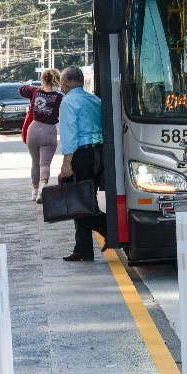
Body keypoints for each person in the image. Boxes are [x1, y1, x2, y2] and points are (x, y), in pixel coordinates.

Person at [56, 66, 107, 261]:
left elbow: (70, 134)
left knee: (78, 201)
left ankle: (108, 228)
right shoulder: (94, 100)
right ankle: (83, 248)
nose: (61, 86)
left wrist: (66, 163)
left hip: (82, 155)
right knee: (86, 197)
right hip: (98, 154)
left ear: (66, 83)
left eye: (61, 82)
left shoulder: (68, 102)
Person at [21, 69, 64, 202]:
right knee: (44, 164)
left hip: (33, 129)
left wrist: (39, 86)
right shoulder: (60, 97)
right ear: (57, 79)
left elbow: (22, 89)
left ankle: (34, 192)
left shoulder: (35, 92)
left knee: (35, 163)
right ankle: (42, 188)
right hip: (49, 131)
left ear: (43, 79)